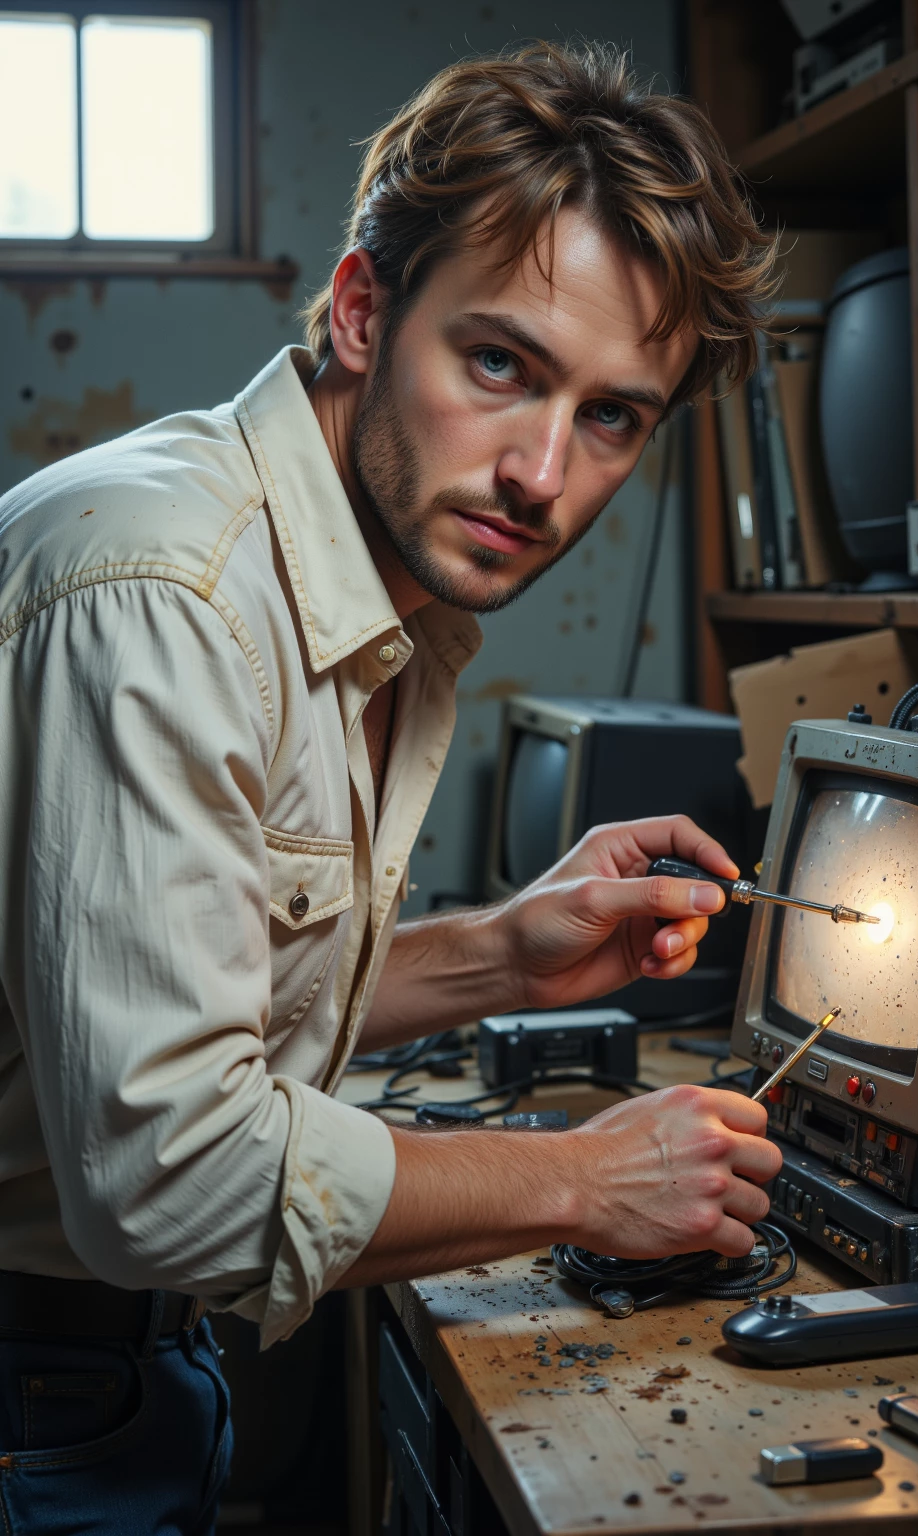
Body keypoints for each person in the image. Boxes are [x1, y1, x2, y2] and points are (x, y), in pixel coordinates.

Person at [0, 39, 780, 1533]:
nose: (541, 473)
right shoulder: (165, 595)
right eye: (500, 364)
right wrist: (584, 1183)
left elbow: (198, 993)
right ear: (364, 311)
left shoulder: (366, 589)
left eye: (612, 415)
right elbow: (165, 1175)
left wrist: (501, 953)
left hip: (110, 1374)